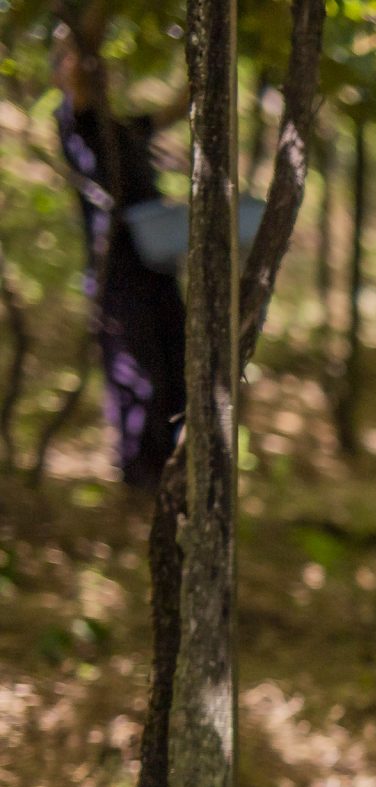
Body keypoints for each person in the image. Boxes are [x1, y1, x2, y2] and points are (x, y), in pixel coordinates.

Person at [52, 28, 188, 490]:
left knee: (175, 369)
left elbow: (177, 108)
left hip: (156, 267)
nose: (92, 67)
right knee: (138, 377)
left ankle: (171, 469)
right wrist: (86, 27)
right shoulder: (79, 124)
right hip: (118, 278)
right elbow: (82, 45)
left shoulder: (123, 128)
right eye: (77, 61)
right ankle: (141, 480)